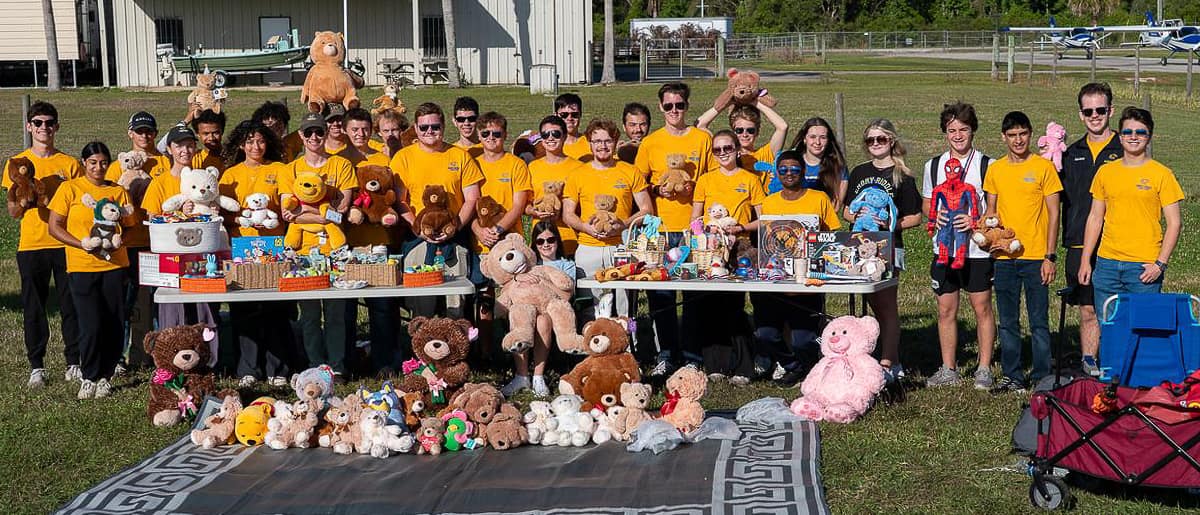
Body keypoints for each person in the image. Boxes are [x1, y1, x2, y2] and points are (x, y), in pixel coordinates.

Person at [634, 82, 717, 377]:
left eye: (679, 105)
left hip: (693, 229)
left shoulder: (700, 139)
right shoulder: (651, 143)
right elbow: (638, 183)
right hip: (661, 228)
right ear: (660, 108)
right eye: (668, 106)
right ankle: (666, 355)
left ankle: (693, 357)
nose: (674, 111)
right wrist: (658, 188)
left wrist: (695, 190)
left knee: (693, 295)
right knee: (662, 297)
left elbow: (711, 179)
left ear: (687, 106)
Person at [47, 142, 137, 399]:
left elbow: (130, 225)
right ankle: (89, 375)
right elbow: (55, 226)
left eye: (103, 162)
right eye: (93, 162)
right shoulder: (70, 189)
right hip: (81, 266)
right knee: (89, 324)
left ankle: (106, 377)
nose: (99, 167)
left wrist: (122, 239)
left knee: (113, 322)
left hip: (115, 266)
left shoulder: (118, 192)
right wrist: (81, 244)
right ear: (84, 163)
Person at [982, 111, 1062, 394]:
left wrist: (1049, 256)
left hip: (1035, 257)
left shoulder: (1043, 168)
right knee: (1008, 321)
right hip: (1004, 258)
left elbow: (1054, 214)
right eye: (1012, 135)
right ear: (1004, 137)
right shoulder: (996, 170)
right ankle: (1012, 375)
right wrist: (987, 237)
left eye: (1023, 134)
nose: (1018, 140)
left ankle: (1042, 377)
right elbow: (991, 213)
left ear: (1031, 134)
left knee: (1039, 321)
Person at [4, 101, 82, 389]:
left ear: (57, 126)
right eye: (38, 122)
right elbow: (12, 212)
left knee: (70, 304)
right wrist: (25, 200)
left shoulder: (70, 164)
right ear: (29, 126)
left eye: (49, 122)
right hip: (32, 245)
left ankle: (74, 362)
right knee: (33, 307)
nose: (44, 128)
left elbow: (79, 206)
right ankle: (37, 366)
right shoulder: (16, 164)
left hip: (64, 243)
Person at [218, 120, 302, 386]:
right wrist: (241, 222)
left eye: (261, 140)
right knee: (244, 311)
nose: (256, 146)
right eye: (250, 141)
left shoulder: (280, 169)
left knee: (276, 310)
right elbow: (222, 215)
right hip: (241, 249)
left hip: (274, 248)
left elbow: (288, 203)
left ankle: (278, 369)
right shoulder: (230, 174)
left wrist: (279, 216)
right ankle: (248, 370)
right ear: (241, 145)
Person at [921, 102, 997, 390]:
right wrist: (936, 215)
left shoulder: (986, 165)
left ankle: (984, 368)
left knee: (982, 307)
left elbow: (993, 210)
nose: (957, 135)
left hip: (976, 250)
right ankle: (949, 369)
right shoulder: (934, 165)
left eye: (963, 129)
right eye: (952, 130)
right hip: (944, 248)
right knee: (945, 310)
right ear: (945, 132)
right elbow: (928, 202)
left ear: (973, 130)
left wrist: (974, 220)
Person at [1079, 107, 1183, 309]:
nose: (1133, 137)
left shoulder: (1162, 174)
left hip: (1143, 267)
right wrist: (1085, 260)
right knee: (1109, 328)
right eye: (1127, 132)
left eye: (1140, 132)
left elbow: (1174, 223)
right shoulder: (1105, 172)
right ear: (1120, 136)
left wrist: (1160, 264)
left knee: (1143, 329)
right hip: (1107, 264)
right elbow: (1095, 218)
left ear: (1149, 136)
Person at [844, 119, 923, 384]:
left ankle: (891, 362)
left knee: (886, 306)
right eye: (871, 140)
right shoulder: (858, 172)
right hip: (859, 245)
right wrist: (854, 214)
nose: (876, 144)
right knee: (868, 303)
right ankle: (861, 356)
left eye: (881, 139)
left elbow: (915, 217)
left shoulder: (903, 175)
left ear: (891, 141)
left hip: (889, 248)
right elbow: (845, 209)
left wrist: (888, 224)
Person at [280, 112, 357, 382]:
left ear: (326, 134)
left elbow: (343, 210)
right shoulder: (290, 169)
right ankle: (314, 365)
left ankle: (336, 366)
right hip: (303, 254)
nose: (314, 137)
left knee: (336, 313)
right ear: (300, 136)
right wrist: (322, 216)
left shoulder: (342, 166)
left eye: (319, 132)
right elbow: (287, 214)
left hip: (335, 252)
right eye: (308, 132)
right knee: (310, 314)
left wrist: (307, 213)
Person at [753, 150, 841, 387]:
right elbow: (766, 238)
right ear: (776, 173)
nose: (789, 173)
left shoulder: (818, 198)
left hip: (808, 279)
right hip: (776, 277)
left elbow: (832, 233)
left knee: (804, 340)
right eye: (783, 169)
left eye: (794, 169)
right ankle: (793, 366)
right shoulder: (769, 202)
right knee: (765, 333)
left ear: (802, 171)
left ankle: (810, 370)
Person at [390, 102, 485, 317]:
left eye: (435, 126)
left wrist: (455, 226)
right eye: (424, 127)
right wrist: (419, 229)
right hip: (419, 239)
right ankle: (422, 349)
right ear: (415, 128)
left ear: (443, 126)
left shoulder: (459, 156)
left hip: (453, 239)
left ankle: (456, 348)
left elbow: (472, 198)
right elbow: (400, 200)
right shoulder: (404, 158)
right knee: (422, 306)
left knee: (455, 306)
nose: (430, 131)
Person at [689, 129, 763, 383]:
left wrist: (740, 228)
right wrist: (704, 233)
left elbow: (763, 218)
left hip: (739, 248)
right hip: (710, 249)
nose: (723, 153)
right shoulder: (706, 180)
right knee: (710, 305)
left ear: (737, 150)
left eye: (728, 148)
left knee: (735, 306)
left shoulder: (750, 179)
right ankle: (715, 366)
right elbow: (695, 218)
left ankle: (743, 366)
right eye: (717, 150)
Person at [562, 118, 653, 319]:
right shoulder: (577, 174)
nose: (603, 146)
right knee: (590, 307)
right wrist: (586, 228)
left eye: (607, 141)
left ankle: (629, 347)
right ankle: (594, 347)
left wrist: (623, 226)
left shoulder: (630, 171)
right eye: (597, 141)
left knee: (624, 306)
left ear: (615, 142)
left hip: (621, 246)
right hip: (588, 247)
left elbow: (647, 209)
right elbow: (567, 214)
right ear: (590, 143)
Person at [1061, 82, 1122, 376]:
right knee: (1087, 308)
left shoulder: (1126, 148)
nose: (1095, 115)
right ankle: (1089, 363)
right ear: (1081, 114)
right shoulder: (1070, 153)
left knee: (1114, 309)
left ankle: (1116, 363)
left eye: (1101, 109)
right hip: (1078, 243)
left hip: (1117, 243)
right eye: (1089, 111)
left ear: (1111, 110)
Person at [105, 111, 172, 371]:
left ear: (156, 134)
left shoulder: (164, 162)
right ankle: (119, 356)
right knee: (124, 302)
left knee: (160, 302)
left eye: (149, 131)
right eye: (140, 131)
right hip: (128, 243)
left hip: (158, 243)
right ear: (130, 133)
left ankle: (161, 355)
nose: (145, 136)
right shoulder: (117, 164)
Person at [502, 220, 575, 397]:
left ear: (557, 240)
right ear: (534, 244)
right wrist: (520, 279)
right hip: (525, 308)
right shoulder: (528, 264)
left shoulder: (567, 265)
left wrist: (542, 281)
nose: (546, 245)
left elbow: (566, 295)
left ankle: (538, 377)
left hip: (553, 311)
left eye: (550, 240)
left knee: (542, 321)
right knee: (519, 315)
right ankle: (521, 375)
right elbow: (509, 283)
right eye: (540, 241)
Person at [526, 115, 582, 256]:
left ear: (564, 137)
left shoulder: (579, 168)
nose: (550, 138)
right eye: (546, 134)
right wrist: (535, 212)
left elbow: (585, 205)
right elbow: (524, 205)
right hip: (540, 242)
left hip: (569, 240)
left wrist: (563, 210)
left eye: (556, 134)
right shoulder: (532, 167)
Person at [696, 102, 789, 171]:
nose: (745, 134)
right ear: (733, 132)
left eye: (750, 130)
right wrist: (727, 101)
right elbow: (700, 125)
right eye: (739, 130)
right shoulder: (723, 152)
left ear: (757, 132)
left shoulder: (765, 154)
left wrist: (755, 102)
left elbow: (782, 127)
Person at [791, 117, 848, 211]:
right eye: (812, 137)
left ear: (829, 140)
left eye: (823, 137)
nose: (817, 142)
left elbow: (835, 207)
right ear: (804, 139)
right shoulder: (791, 163)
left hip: (822, 219)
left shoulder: (838, 166)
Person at [555, 93, 591, 161]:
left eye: (574, 114)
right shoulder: (550, 144)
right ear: (556, 115)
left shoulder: (591, 142)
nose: (569, 118)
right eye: (564, 115)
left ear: (580, 114)